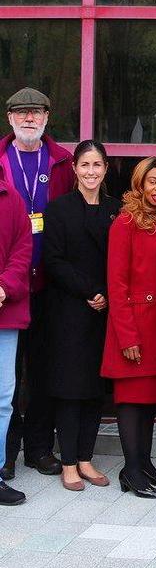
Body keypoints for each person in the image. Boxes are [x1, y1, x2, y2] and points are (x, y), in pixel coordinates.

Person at [102, 157, 156, 499]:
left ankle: (144, 463)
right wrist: (127, 336)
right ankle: (131, 469)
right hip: (135, 324)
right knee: (130, 399)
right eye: (153, 181)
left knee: (150, 397)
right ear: (140, 183)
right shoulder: (126, 222)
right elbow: (117, 283)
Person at [0, 87, 74, 480]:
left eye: (37, 112)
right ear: (10, 118)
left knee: (44, 369)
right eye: (22, 112)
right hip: (6, 288)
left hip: (50, 283)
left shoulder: (63, 161)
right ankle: (6, 452)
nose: (30, 118)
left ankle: (40, 448)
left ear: (47, 117)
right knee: (5, 374)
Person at [44, 141, 120, 491]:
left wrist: (105, 294)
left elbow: (119, 260)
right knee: (70, 388)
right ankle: (69, 462)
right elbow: (54, 261)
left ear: (106, 169)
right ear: (74, 168)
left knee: (94, 389)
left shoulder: (115, 210)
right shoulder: (58, 209)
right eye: (85, 165)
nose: (91, 172)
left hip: (105, 312)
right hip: (69, 311)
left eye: (97, 165)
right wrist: (90, 291)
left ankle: (87, 459)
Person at [0, 178, 32, 505]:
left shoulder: (12, 199)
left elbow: (23, 249)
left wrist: (5, 287)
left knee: (2, 397)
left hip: (3, 312)